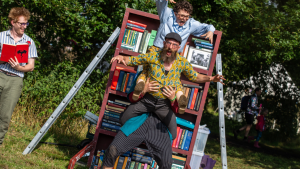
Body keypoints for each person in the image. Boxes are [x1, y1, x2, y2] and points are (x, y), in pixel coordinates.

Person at [103, 33, 225, 169]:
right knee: (113, 147)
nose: (170, 47)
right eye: (168, 43)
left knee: (169, 151)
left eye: (174, 45)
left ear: (179, 47)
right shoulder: (152, 57)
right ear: (163, 43)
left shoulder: (181, 62)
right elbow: (134, 60)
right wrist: (121, 57)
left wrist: (211, 79)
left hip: (162, 112)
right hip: (143, 108)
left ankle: (178, 99)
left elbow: (194, 76)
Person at [132, 0, 216, 114]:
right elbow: (160, 2)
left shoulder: (191, 23)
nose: (184, 19)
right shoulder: (166, 14)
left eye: (187, 16)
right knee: (146, 72)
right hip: (157, 51)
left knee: (174, 80)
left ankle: (178, 99)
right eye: (181, 15)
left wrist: (210, 31)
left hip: (173, 57)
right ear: (175, 13)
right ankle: (140, 88)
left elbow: (208, 26)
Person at [0, 7, 38, 146]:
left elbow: (31, 66)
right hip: (0, 73)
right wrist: (4, 58)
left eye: (26, 23)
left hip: (15, 79)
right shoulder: (1, 36)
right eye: (22, 23)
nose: (24, 26)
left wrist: (19, 67)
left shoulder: (29, 42)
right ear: (13, 22)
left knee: (5, 114)